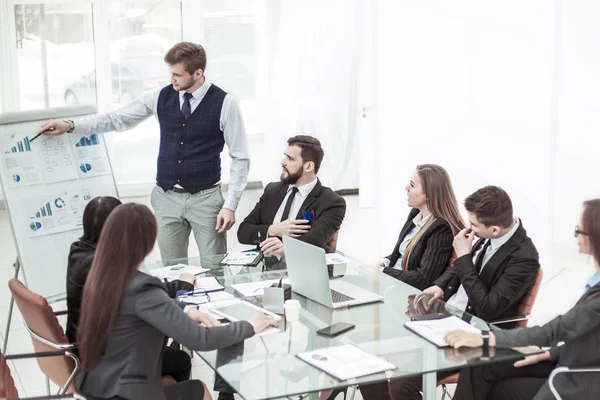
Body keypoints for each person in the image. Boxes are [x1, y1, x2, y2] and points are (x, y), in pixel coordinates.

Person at [39, 42, 250, 261]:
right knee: (172, 268)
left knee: (214, 266)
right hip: (166, 197)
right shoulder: (159, 96)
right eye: (170, 73)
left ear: (198, 73)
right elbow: (116, 119)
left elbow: (240, 158)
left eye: (177, 74)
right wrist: (70, 125)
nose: (172, 79)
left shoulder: (225, 103)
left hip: (206, 199)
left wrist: (230, 205)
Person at [76, 203, 277, 400]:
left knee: (180, 361)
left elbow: (139, 307)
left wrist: (185, 309)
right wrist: (250, 326)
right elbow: (201, 339)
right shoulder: (142, 286)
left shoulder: (101, 276)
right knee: (199, 390)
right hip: (125, 392)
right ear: (148, 242)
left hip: (97, 385)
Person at [362, 186, 540, 400]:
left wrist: (464, 256)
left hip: (474, 336)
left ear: (494, 229)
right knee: (368, 351)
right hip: (445, 318)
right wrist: (440, 286)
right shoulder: (490, 234)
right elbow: (460, 270)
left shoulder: (524, 258)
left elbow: (487, 309)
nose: (469, 228)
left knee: (401, 385)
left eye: (474, 224)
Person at [445, 199, 600, 400]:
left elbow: (557, 330)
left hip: (580, 375)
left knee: (504, 390)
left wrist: (483, 339)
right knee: (479, 365)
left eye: (579, 230)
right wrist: (551, 353)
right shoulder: (595, 281)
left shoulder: (523, 257)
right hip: (563, 358)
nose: (574, 235)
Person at [66, 196, 195, 385]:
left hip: (84, 348)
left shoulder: (78, 251)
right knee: (180, 361)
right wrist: (182, 285)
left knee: (168, 363)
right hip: (106, 360)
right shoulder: (105, 264)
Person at [237, 135, 346, 258]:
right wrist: (272, 230)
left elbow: (315, 240)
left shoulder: (332, 202)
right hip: (265, 268)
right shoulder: (272, 190)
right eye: (285, 156)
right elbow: (243, 232)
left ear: (309, 166)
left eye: (290, 158)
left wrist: (287, 249)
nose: (283, 162)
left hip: (305, 268)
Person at [376, 164, 465, 290]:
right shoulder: (416, 214)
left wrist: (383, 271)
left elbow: (423, 279)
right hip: (390, 282)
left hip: (401, 290)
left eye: (412, 185)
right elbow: (403, 253)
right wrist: (383, 262)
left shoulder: (441, 229)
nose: (406, 187)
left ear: (429, 194)